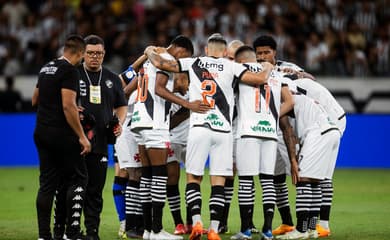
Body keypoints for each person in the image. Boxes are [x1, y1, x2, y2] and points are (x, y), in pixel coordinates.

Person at [144, 33, 273, 240]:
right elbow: (260, 79)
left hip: (199, 127)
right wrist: (267, 65)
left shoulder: (193, 62)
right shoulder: (231, 66)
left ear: (205, 50)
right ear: (224, 52)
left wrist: (149, 50)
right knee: (218, 181)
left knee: (193, 177)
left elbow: (161, 63)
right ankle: (213, 229)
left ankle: (196, 222)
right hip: (223, 131)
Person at [130, 35, 200, 240]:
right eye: (184, 56)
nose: (181, 64)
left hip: (139, 120)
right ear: (180, 49)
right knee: (160, 176)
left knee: (147, 176)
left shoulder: (151, 59)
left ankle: (148, 231)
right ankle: (157, 229)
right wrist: (187, 104)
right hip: (155, 122)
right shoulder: (167, 60)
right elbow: (159, 89)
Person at [230, 46, 294, 240]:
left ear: (241, 60)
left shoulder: (240, 72)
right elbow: (290, 102)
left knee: (246, 182)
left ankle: (246, 230)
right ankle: (267, 230)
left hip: (248, 132)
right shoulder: (275, 74)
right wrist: (273, 117)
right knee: (268, 181)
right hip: (270, 133)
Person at [253, 35, 313, 236]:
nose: (262, 57)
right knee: (272, 179)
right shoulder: (252, 69)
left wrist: (295, 74)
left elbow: (312, 80)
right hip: (265, 130)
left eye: (266, 52)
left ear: (274, 52)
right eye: (259, 53)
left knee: (300, 176)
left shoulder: (287, 67)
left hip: (289, 130)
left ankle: (309, 224)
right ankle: (287, 222)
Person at [32, 34, 91, 240]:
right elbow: (67, 105)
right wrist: (82, 137)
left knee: (47, 184)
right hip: (62, 134)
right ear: (80, 53)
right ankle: (71, 232)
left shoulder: (46, 68)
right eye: (84, 55)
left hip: (41, 132)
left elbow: (34, 100)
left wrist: (59, 107)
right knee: (78, 177)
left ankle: (44, 235)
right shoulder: (69, 70)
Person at [276, 93, 340, 240]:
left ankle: (300, 229)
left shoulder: (284, 101)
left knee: (302, 179)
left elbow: (288, 133)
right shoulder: (304, 100)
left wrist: (293, 160)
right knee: (315, 182)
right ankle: (311, 228)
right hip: (331, 131)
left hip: (318, 132)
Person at [292, 77, 346, 237]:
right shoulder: (290, 74)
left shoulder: (282, 82)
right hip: (328, 121)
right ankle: (315, 227)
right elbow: (310, 77)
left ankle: (308, 228)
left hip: (326, 122)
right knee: (319, 177)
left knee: (311, 177)